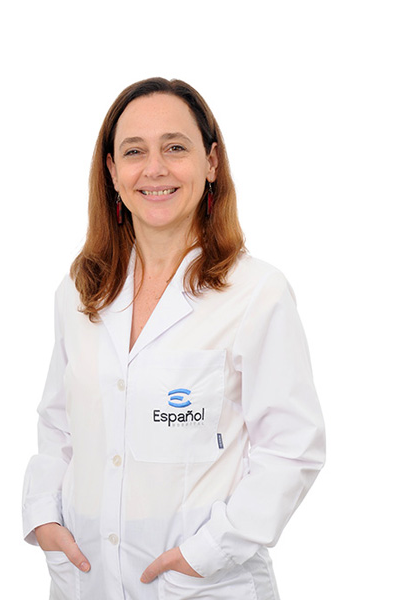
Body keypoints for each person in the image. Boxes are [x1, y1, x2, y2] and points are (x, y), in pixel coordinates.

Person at [22, 77, 326, 600]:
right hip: (85, 579)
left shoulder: (256, 293)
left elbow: (292, 447)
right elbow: (58, 424)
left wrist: (208, 552)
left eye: (175, 148)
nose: (155, 168)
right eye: (134, 151)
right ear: (112, 172)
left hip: (203, 585)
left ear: (211, 163)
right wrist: (43, 517)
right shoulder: (80, 290)